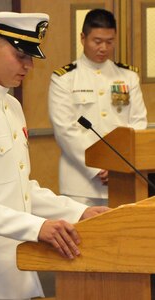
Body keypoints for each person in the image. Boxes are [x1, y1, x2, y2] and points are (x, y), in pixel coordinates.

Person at [0, 11, 108, 300]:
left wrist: (79, 213)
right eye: (20, 55)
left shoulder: (12, 106)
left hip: (18, 267)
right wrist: (38, 227)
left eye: (30, 57)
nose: (28, 65)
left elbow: (20, 188)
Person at [48, 8, 148, 206]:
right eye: (97, 41)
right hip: (80, 183)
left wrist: (119, 165)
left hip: (123, 178)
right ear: (83, 38)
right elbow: (66, 131)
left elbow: (138, 123)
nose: (103, 48)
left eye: (109, 42)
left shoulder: (128, 77)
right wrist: (98, 167)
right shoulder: (65, 79)